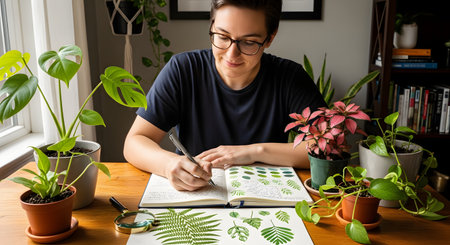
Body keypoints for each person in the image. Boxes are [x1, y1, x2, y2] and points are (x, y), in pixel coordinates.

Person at [123, 0, 326, 191]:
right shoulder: (183, 69)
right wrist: (169, 164)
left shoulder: (290, 77)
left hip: (264, 196)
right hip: (196, 193)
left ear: (269, 38)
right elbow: (135, 142)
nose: (231, 54)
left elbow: (329, 148)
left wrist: (252, 152)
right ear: (212, 26)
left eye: (248, 42)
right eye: (222, 37)